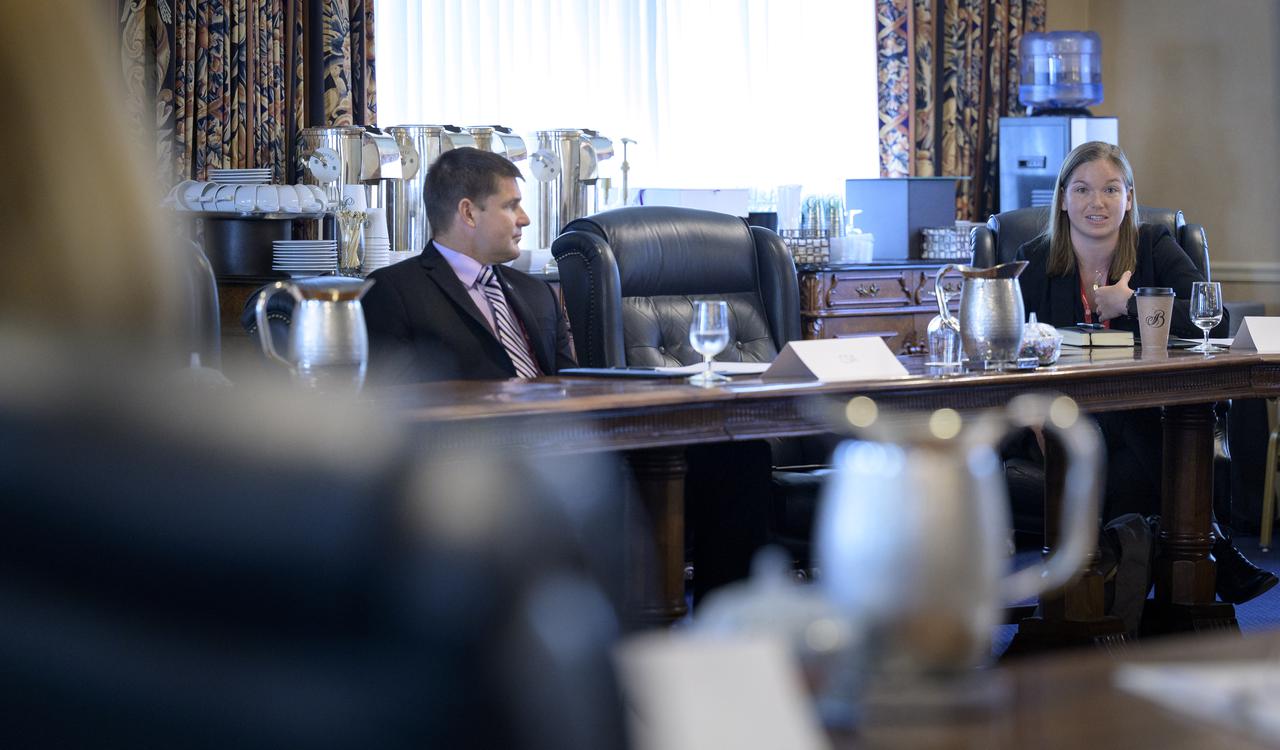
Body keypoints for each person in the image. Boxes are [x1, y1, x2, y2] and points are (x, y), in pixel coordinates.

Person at [1014, 141, 1276, 605]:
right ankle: (1210, 548)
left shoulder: (1156, 246)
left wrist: (1132, 305)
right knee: (1145, 440)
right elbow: (1007, 345)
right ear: (1061, 199)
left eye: (1110, 190)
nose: (1096, 202)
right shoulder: (1033, 261)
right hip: (1060, 425)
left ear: (1129, 198)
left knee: (1131, 441)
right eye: (1082, 190)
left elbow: (1209, 318)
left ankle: (1108, 589)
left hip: (1137, 418)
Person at [362, 147, 575, 383]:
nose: (525, 219)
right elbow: (390, 404)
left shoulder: (538, 293)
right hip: (471, 419)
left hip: (555, 418)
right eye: (510, 206)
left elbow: (570, 385)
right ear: (469, 213)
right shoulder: (393, 291)